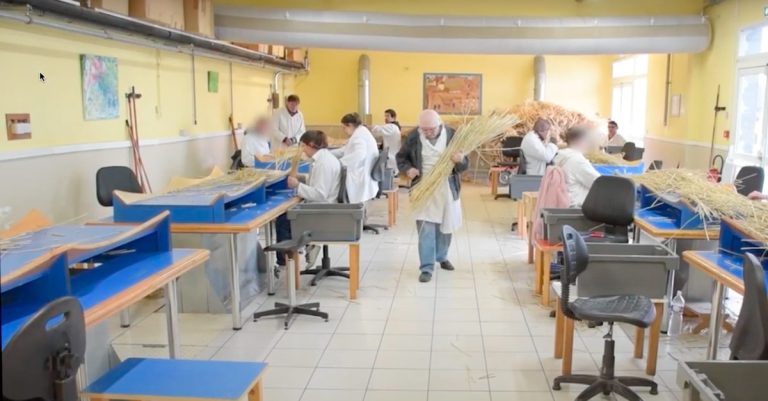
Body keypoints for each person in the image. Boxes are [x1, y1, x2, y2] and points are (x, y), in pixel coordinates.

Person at [396, 109, 469, 283]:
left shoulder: (453, 135)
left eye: (431, 129)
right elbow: (401, 158)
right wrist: (408, 169)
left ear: (440, 125)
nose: (427, 133)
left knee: (446, 226)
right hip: (423, 187)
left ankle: (442, 257)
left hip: (447, 186)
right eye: (424, 129)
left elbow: (465, 165)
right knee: (425, 229)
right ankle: (427, 267)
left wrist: (460, 160)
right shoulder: (414, 136)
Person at [274, 130, 342, 268]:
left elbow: (320, 194)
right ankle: (303, 248)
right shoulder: (322, 159)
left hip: (322, 210)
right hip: (322, 205)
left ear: (311, 144)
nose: (303, 150)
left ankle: (286, 263)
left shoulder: (323, 163)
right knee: (287, 215)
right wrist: (302, 178)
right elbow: (318, 183)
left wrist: (297, 186)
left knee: (283, 220)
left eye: (303, 146)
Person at [332, 113, 379, 203]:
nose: (343, 131)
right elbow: (345, 149)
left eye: (344, 128)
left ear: (350, 125)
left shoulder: (359, 136)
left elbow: (360, 154)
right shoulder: (361, 132)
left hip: (360, 174)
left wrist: (340, 163)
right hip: (364, 172)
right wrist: (329, 154)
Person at [553, 126, 601, 208]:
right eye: (586, 141)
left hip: (567, 204)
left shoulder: (563, 156)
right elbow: (598, 183)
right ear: (578, 141)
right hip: (577, 208)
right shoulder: (577, 161)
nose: (588, 144)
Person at [371, 109, 402, 173]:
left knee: (390, 174)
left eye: (387, 116)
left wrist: (365, 126)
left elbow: (377, 130)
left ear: (393, 117)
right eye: (385, 116)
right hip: (392, 155)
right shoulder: (394, 127)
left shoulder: (391, 127)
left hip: (391, 157)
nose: (385, 118)